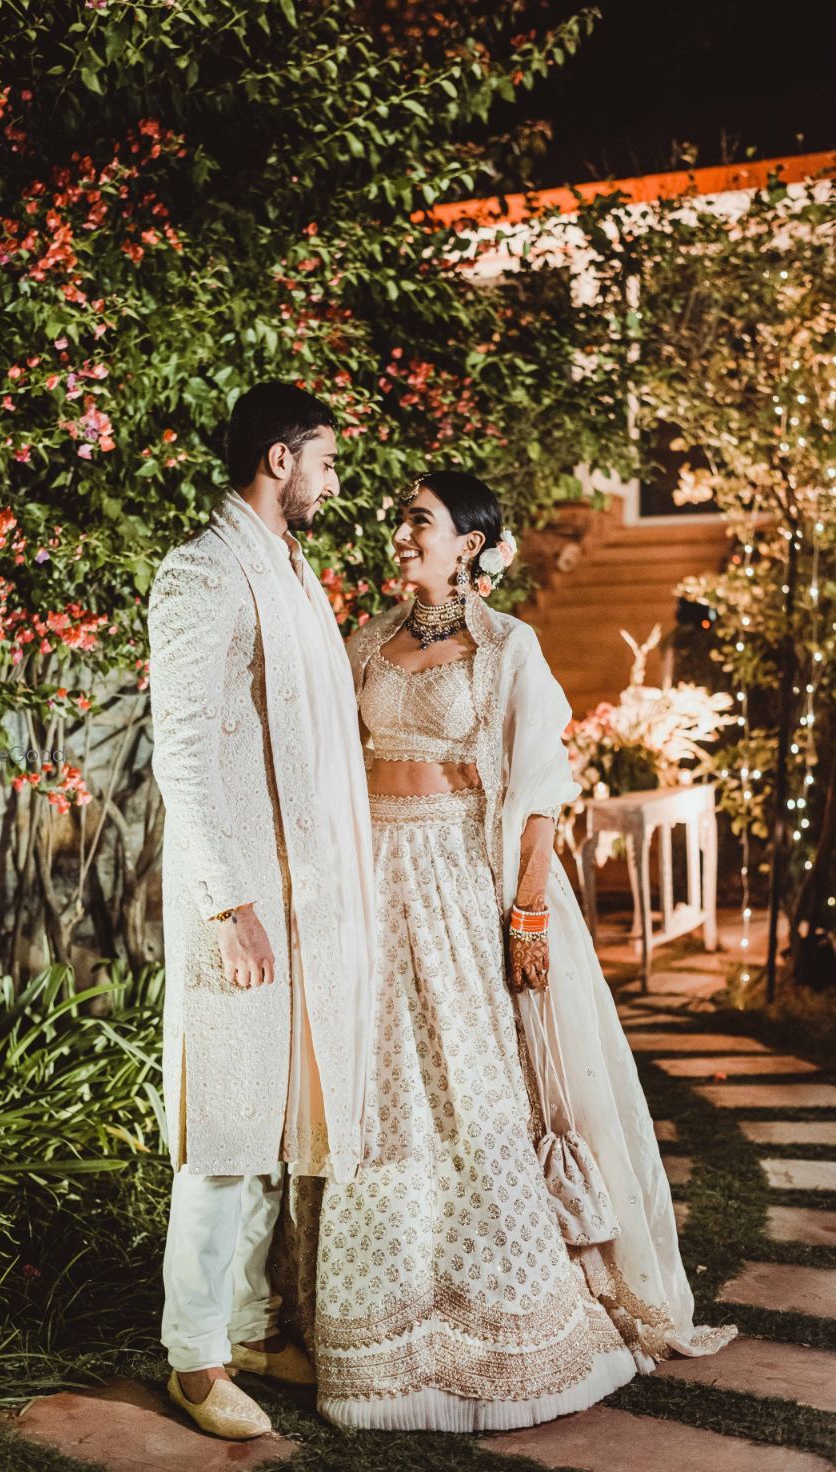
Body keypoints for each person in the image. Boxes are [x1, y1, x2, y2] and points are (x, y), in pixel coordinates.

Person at [303, 469, 736, 1432]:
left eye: (420, 520)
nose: (402, 532)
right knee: (380, 1090)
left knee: (474, 1085)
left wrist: (528, 912)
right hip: (373, 883)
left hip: (459, 878)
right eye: (404, 517)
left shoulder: (507, 645)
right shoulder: (364, 639)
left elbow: (538, 786)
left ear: (469, 544)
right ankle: (383, 1327)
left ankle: (508, 1320)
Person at [147, 382, 378, 1440]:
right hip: (238, 903)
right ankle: (192, 1357)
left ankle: (245, 1323)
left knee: (275, 1125)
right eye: (325, 459)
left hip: (303, 902)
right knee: (224, 1131)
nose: (335, 479)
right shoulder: (203, 569)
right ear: (278, 459)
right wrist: (228, 902)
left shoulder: (289, 571)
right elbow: (185, 754)